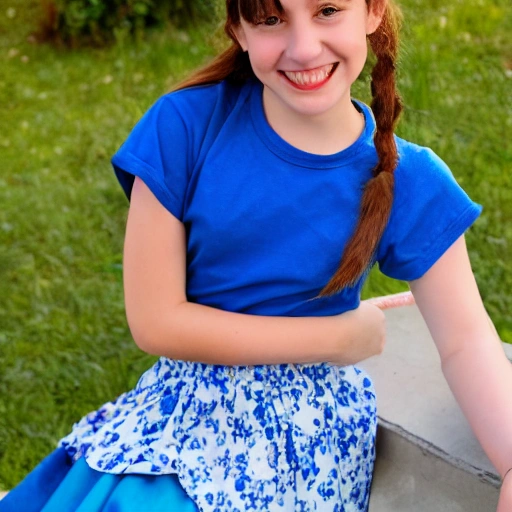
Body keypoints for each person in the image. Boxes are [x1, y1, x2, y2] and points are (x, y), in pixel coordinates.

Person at [2, 0, 511, 510]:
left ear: (373, 11)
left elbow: (466, 340)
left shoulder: (410, 179)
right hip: (183, 418)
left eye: (328, 10)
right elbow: (155, 322)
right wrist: (339, 335)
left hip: (305, 444)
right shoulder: (184, 127)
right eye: (271, 20)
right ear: (239, 30)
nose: (304, 47)